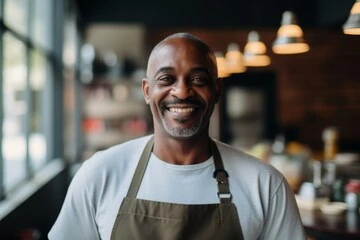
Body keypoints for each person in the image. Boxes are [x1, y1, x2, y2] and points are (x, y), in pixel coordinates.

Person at [48, 32, 306, 240]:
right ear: (147, 91)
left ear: (217, 91)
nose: (182, 92)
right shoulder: (99, 174)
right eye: (167, 78)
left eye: (197, 79)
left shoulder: (265, 185)